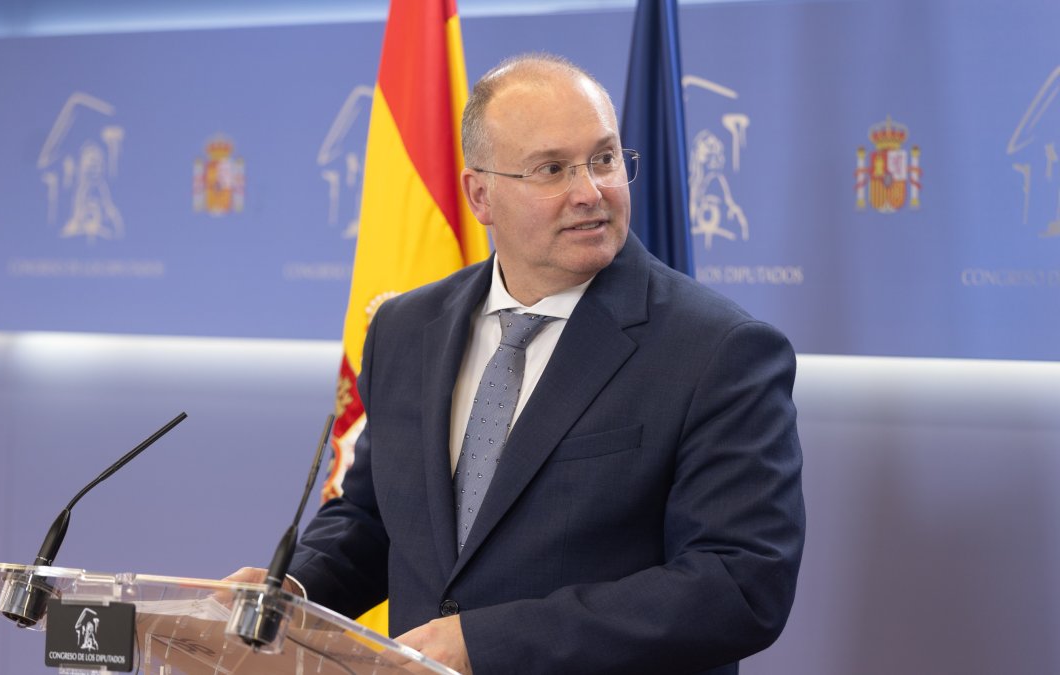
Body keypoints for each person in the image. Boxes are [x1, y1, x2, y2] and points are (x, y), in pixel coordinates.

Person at [230, 53, 805, 675]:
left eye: (605, 159)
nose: (591, 192)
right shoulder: (404, 329)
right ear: (481, 194)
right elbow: (374, 516)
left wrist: (488, 643)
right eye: (552, 169)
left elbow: (738, 586)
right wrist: (299, 592)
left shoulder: (719, 350)